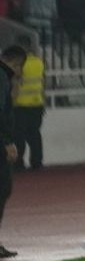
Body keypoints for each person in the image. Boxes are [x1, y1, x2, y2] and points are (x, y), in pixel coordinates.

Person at [0, 45, 28, 260]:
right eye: (21, 68)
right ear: (16, 62)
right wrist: (7, 142)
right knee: (3, 188)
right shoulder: (2, 78)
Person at [13, 36, 45, 171]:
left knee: (19, 135)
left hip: (21, 105)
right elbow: (43, 83)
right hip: (37, 104)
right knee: (34, 135)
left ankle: (18, 163)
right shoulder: (39, 62)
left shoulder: (20, 64)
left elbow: (15, 83)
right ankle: (37, 162)